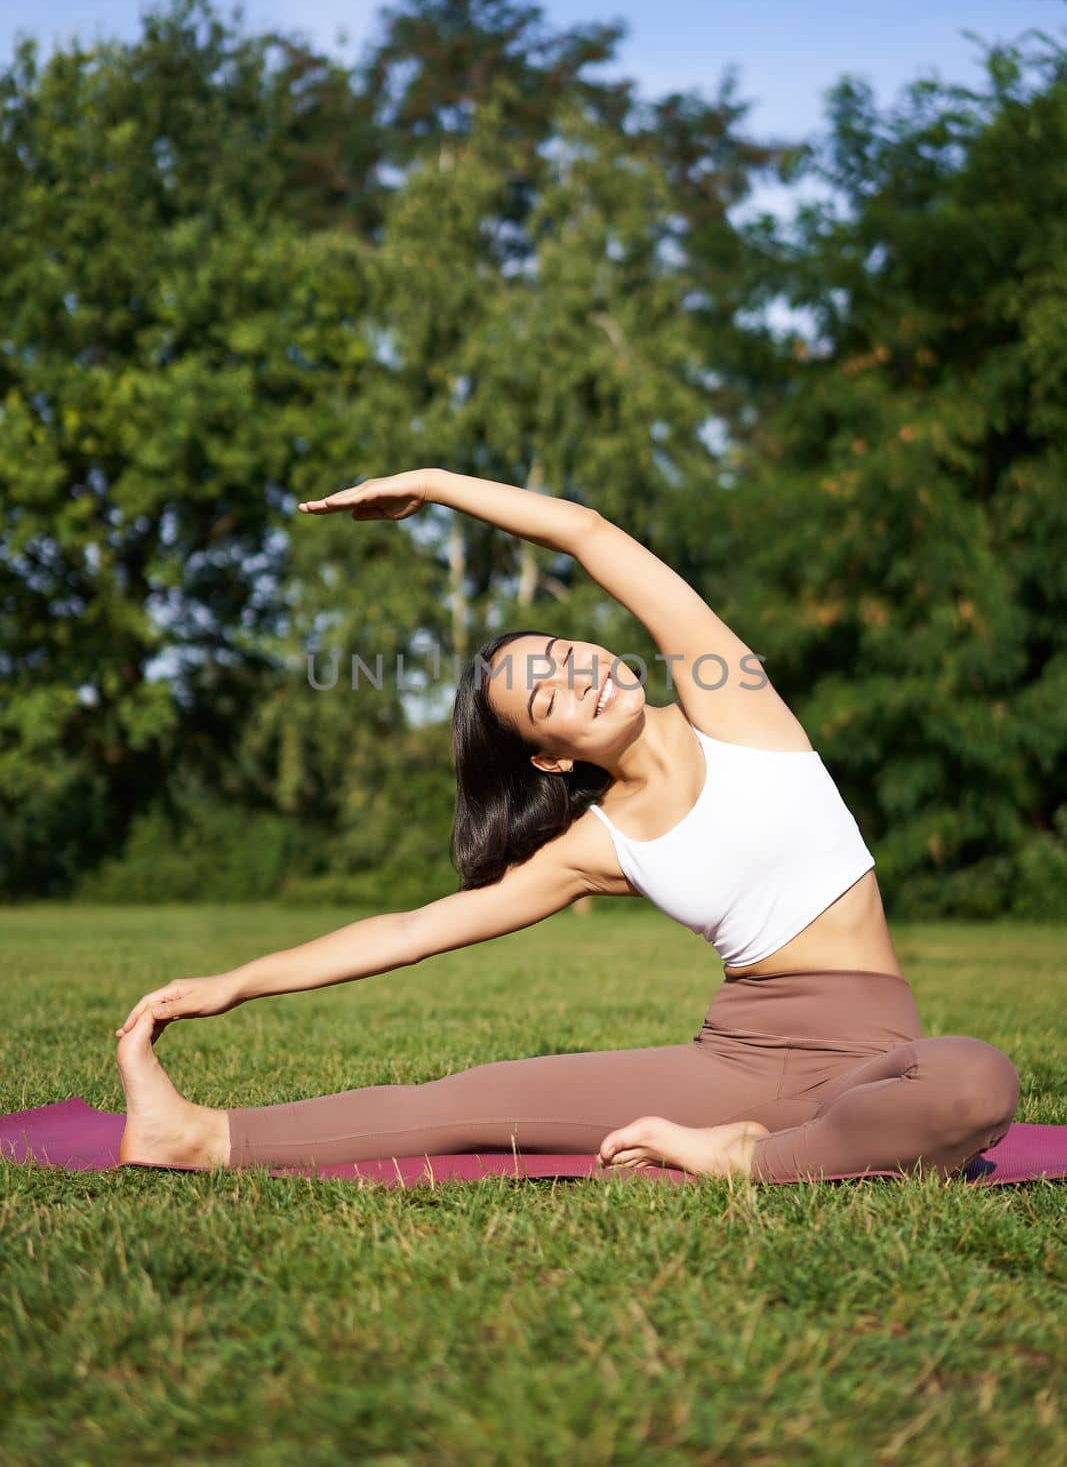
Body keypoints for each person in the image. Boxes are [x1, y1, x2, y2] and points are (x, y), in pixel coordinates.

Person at [114, 468, 1020, 1181]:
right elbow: (415, 929)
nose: (578, 675)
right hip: (738, 1061)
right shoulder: (596, 844)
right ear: (549, 757)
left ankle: (740, 1158)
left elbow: (586, 534)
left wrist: (432, 485)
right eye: (545, 696)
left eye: (561, 655)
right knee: (467, 1103)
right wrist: (235, 983)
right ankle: (194, 1136)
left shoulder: (731, 699)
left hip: (872, 1054)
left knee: (973, 1082)